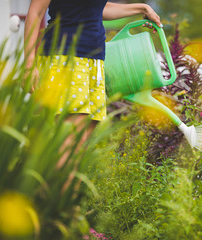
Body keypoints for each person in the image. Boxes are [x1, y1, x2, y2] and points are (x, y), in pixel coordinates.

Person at [24, 0, 162, 168]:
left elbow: (98, 8)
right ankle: (59, 192)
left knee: (81, 143)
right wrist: (29, 63)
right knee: (71, 139)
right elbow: (36, 12)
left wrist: (142, 7)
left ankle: (58, 190)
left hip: (94, 60)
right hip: (66, 57)